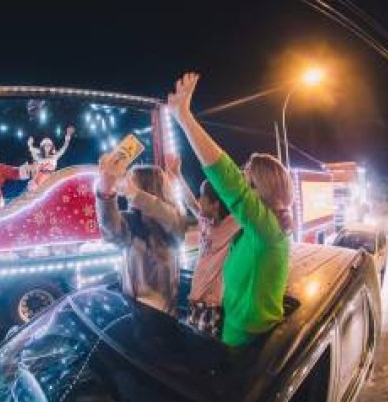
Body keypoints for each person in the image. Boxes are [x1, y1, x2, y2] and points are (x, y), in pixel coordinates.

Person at [167, 73, 294, 348]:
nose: (241, 186)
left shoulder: (266, 230)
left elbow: (227, 180)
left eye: (247, 181)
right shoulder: (257, 230)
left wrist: (184, 118)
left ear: (263, 189)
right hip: (233, 329)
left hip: (242, 341)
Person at [95, 153, 186, 317]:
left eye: (132, 182)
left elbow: (165, 214)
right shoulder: (130, 220)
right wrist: (104, 192)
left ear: (147, 187)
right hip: (136, 312)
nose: (126, 186)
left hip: (166, 313)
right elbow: (110, 230)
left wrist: (133, 193)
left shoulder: (173, 219)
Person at [165, 153, 240, 339]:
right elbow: (191, 203)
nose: (199, 200)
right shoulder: (207, 221)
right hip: (196, 299)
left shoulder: (234, 224)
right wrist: (177, 175)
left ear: (215, 204)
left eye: (203, 197)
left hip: (213, 305)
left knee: (206, 355)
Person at [27, 126, 75, 191]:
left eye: (49, 145)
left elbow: (64, 148)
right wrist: (30, 144)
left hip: (50, 179)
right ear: (43, 147)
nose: (47, 147)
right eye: (45, 145)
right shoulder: (40, 157)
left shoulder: (54, 157)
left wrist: (67, 139)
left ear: (51, 147)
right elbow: (33, 152)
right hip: (39, 180)